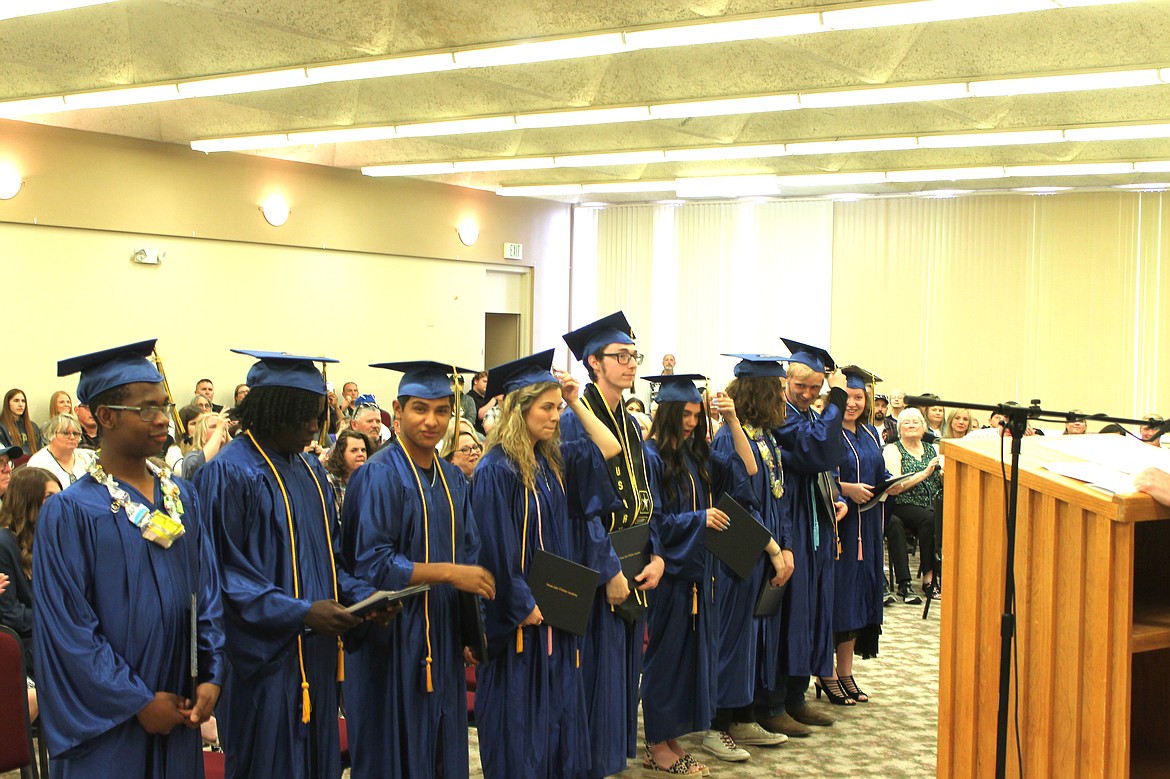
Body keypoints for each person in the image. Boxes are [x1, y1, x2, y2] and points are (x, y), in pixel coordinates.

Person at [34, 339, 226, 778]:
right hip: (110, 726)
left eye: (164, 405)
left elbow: (208, 594)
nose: (163, 419)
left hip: (180, 704)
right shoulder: (71, 513)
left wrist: (212, 672)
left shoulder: (183, 497)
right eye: (146, 409)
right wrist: (136, 701)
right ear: (104, 417)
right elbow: (69, 631)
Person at [196, 349, 374, 779]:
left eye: (316, 414)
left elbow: (331, 555)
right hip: (263, 662)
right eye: (301, 415)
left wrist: (362, 601)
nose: (313, 426)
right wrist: (301, 611)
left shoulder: (309, 470)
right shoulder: (228, 473)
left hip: (314, 654)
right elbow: (222, 575)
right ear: (269, 410)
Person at [470, 350, 622, 779]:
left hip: (556, 609)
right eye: (547, 407)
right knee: (521, 719)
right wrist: (522, 604)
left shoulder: (552, 461)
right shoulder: (495, 470)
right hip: (524, 620)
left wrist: (575, 400)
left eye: (557, 408)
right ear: (520, 409)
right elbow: (493, 549)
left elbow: (609, 448)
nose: (555, 416)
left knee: (557, 717)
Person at [341, 360, 495, 779]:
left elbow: (469, 553)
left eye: (442, 411)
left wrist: (470, 631)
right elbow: (373, 563)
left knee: (442, 750)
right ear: (399, 408)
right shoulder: (377, 474)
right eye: (420, 409)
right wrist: (448, 574)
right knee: (393, 751)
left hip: (441, 635)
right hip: (392, 636)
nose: (432, 421)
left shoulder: (452, 479)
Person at [641, 372, 773, 770]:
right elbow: (654, 522)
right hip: (669, 572)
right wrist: (699, 519)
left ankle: (670, 741)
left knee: (687, 662)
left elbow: (748, 472)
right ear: (665, 412)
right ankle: (657, 746)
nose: (691, 422)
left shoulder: (697, 457)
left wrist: (731, 421)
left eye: (697, 415)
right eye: (684, 414)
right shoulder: (650, 458)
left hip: (699, 575)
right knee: (665, 661)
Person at [560, 312, 664, 779]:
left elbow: (647, 493)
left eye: (633, 356)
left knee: (623, 673)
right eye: (619, 357)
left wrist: (657, 554)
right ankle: (590, 765)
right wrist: (609, 570)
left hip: (634, 556)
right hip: (597, 561)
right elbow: (583, 508)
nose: (630, 364)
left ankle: (610, 761)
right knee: (594, 673)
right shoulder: (576, 420)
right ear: (593, 363)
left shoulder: (627, 416)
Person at [700, 356, 792, 760]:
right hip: (736, 548)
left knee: (752, 637)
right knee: (731, 638)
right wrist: (769, 548)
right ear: (763, 393)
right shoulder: (728, 438)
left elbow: (777, 494)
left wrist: (784, 545)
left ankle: (742, 715)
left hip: (763, 549)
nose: (785, 398)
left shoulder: (766, 436)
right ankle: (716, 723)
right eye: (780, 391)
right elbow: (736, 506)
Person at [766, 338, 849, 734]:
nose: (807, 394)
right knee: (793, 609)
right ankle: (776, 701)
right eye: (801, 386)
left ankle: (797, 696)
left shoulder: (809, 415)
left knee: (813, 605)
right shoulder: (780, 415)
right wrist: (834, 401)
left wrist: (835, 496)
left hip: (813, 518)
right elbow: (815, 451)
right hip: (791, 518)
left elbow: (827, 464)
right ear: (786, 379)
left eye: (815, 388)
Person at [827, 366, 906, 706]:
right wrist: (846, 489)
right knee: (837, 599)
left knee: (859, 599)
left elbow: (881, 474)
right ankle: (825, 674)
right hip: (840, 526)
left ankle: (845, 671)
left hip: (869, 528)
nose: (853, 404)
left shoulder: (872, 435)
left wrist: (898, 481)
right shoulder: (827, 431)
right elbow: (817, 473)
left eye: (859, 397)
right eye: (848, 397)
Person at [0, 466, 62, 677]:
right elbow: (12, 614)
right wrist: (57, 619)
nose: (59, 503)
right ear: (28, 501)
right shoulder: (4, 543)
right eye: (50, 497)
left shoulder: (52, 539)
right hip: (30, 643)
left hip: (53, 633)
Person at [883, 407, 943, 601]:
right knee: (929, 518)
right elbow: (897, 485)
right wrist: (925, 473)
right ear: (899, 428)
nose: (911, 426)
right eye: (906, 423)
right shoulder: (893, 449)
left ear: (923, 427)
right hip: (903, 503)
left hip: (933, 505)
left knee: (934, 517)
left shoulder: (933, 449)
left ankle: (934, 578)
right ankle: (928, 580)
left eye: (915, 422)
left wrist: (943, 476)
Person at [27, 412, 94, 487]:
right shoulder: (38, 463)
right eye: (66, 433)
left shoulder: (86, 457)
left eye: (75, 433)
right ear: (51, 434)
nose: (72, 437)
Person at [322, 428, 371, 514]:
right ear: (341, 454)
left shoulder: (371, 479)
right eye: (354, 450)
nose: (361, 454)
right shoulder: (330, 483)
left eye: (363, 450)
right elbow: (334, 523)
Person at [178, 410, 230, 480]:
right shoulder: (191, 458)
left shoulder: (229, 458)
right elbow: (197, 468)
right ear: (202, 433)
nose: (221, 430)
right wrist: (219, 430)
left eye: (223, 428)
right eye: (214, 426)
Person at [1, 388, 45, 458]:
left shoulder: (33, 427)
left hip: (33, 465)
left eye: (23, 401)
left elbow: (40, 452)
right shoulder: (2, 427)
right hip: (13, 466)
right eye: (16, 401)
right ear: (8, 403)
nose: (21, 404)